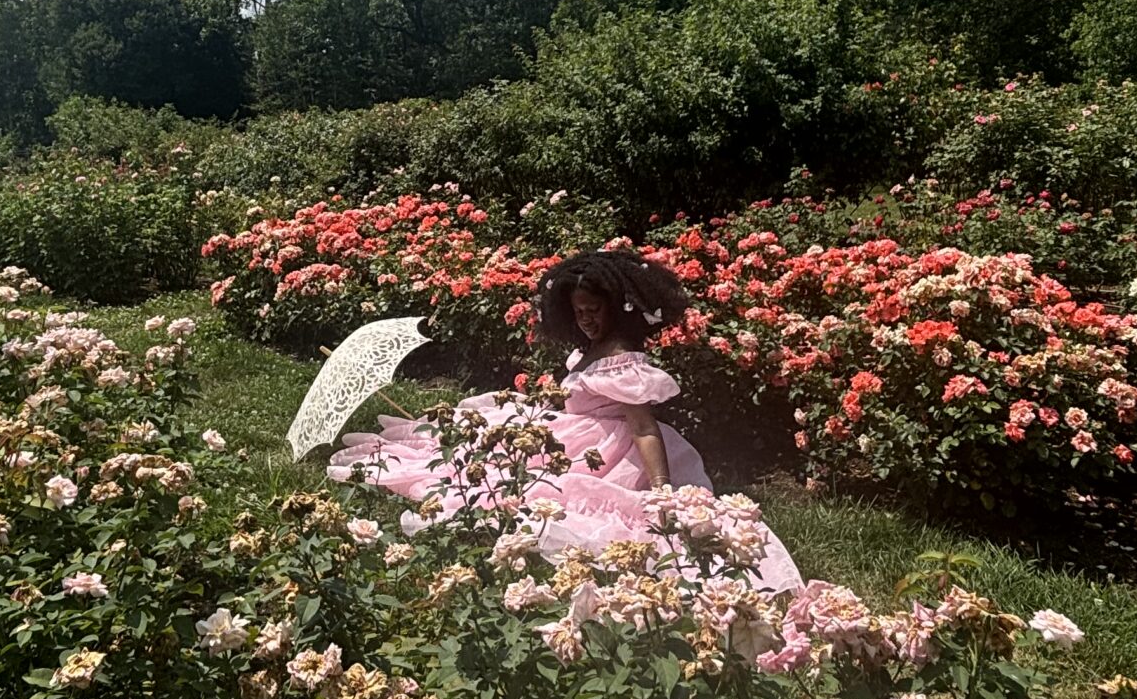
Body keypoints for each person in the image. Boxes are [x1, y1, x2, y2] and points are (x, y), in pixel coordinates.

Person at [328, 247, 803, 591]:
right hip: (575, 428)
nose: (586, 321)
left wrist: (662, 486)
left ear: (615, 309)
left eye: (593, 312)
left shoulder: (623, 358)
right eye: (577, 313)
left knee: (548, 491)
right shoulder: (592, 346)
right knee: (486, 442)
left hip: (609, 448)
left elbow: (642, 426)